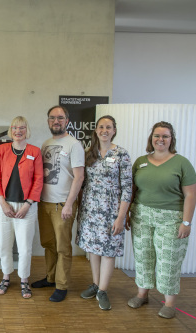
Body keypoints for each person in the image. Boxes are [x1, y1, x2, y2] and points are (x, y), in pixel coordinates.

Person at [126, 121, 196, 319]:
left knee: (169, 261)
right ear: (151, 138)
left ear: (171, 139)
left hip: (171, 218)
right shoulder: (141, 161)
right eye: (157, 135)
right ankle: (142, 294)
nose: (161, 139)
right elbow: (132, 189)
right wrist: (126, 214)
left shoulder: (181, 162)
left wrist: (187, 222)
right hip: (141, 215)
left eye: (165, 136)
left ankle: (170, 303)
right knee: (143, 257)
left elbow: (191, 195)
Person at [76, 115, 132, 310]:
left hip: (111, 211)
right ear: (96, 130)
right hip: (90, 209)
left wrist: (121, 216)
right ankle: (95, 283)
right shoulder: (88, 153)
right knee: (93, 249)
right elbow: (82, 182)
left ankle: (103, 290)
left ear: (114, 130)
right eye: (101, 127)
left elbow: (127, 188)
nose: (104, 130)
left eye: (108, 127)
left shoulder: (122, 154)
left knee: (108, 251)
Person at [32, 105, 85, 302]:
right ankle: (51, 277)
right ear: (48, 121)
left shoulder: (74, 145)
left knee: (63, 246)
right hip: (44, 203)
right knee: (48, 244)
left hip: (63, 204)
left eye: (60, 118)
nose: (56, 121)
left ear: (67, 121)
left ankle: (62, 285)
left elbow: (79, 177)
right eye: (53, 118)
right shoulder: (45, 144)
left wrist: (70, 204)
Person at [0, 116, 43, 299]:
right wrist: (2, 202)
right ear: (10, 130)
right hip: (5, 205)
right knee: (5, 245)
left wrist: (28, 203)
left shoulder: (35, 151)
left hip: (26, 206)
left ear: (26, 130)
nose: (18, 131)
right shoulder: (3, 150)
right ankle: (6, 277)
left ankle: (24, 280)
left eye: (22, 128)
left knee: (25, 247)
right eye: (15, 127)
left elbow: (38, 180)